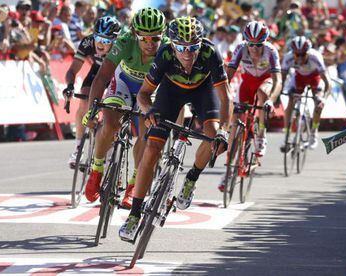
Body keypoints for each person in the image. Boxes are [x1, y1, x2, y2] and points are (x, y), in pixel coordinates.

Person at [117, 16, 231, 241]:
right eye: (180, 47)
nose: (186, 53)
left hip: (203, 91)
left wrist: (223, 130)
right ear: (172, 45)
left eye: (192, 48)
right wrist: (149, 112)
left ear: (200, 44)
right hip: (171, 91)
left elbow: (226, 98)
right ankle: (134, 214)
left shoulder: (209, 53)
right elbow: (143, 94)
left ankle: (191, 178)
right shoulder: (165, 54)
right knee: (151, 149)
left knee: (212, 135)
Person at [83, 8, 168, 209]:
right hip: (122, 82)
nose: (149, 44)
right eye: (144, 38)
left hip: (149, 91)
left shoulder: (167, 49)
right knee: (111, 124)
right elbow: (102, 76)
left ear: (162, 35)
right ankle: (97, 169)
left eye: (154, 39)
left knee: (147, 136)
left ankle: (133, 186)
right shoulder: (125, 41)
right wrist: (92, 109)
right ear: (134, 34)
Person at [218, 21, 282, 191]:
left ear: (264, 42)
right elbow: (229, 74)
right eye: (251, 44)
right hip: (247, 83)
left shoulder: (271, 51)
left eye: (258, 44)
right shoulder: (241, 48)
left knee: (262, 93)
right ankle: (228, 171)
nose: (254, 48)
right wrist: (221, 94)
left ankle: (261, 133)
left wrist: (271, 99)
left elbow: (278, 80)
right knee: (235, 123)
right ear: (246, 41)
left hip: (265, 81)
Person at [64, 16, 121, 167]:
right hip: (97, 72)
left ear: (114, 41)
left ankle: (109, 152)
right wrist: (69, 86)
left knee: (113, 110)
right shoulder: (88, 42)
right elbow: (73, 69)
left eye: (107, 40)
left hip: (116, 75)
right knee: (84, 98)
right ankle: (78, 148)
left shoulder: (121, 47)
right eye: (98, 38)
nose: (101, 44)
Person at [280, 36, 331, 150]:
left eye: (303, 54)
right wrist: (279, 94)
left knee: (318, 104)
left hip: (315, 77)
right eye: (297, 55)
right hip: (299, 77)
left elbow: (328, 83)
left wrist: (324, 99)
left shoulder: (316, 57)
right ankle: (287, 135)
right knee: (290, 101)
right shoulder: (288, 58)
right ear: (293, 53)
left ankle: (313, 133)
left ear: (308, 53)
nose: (300, 57)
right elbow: (282, 79)